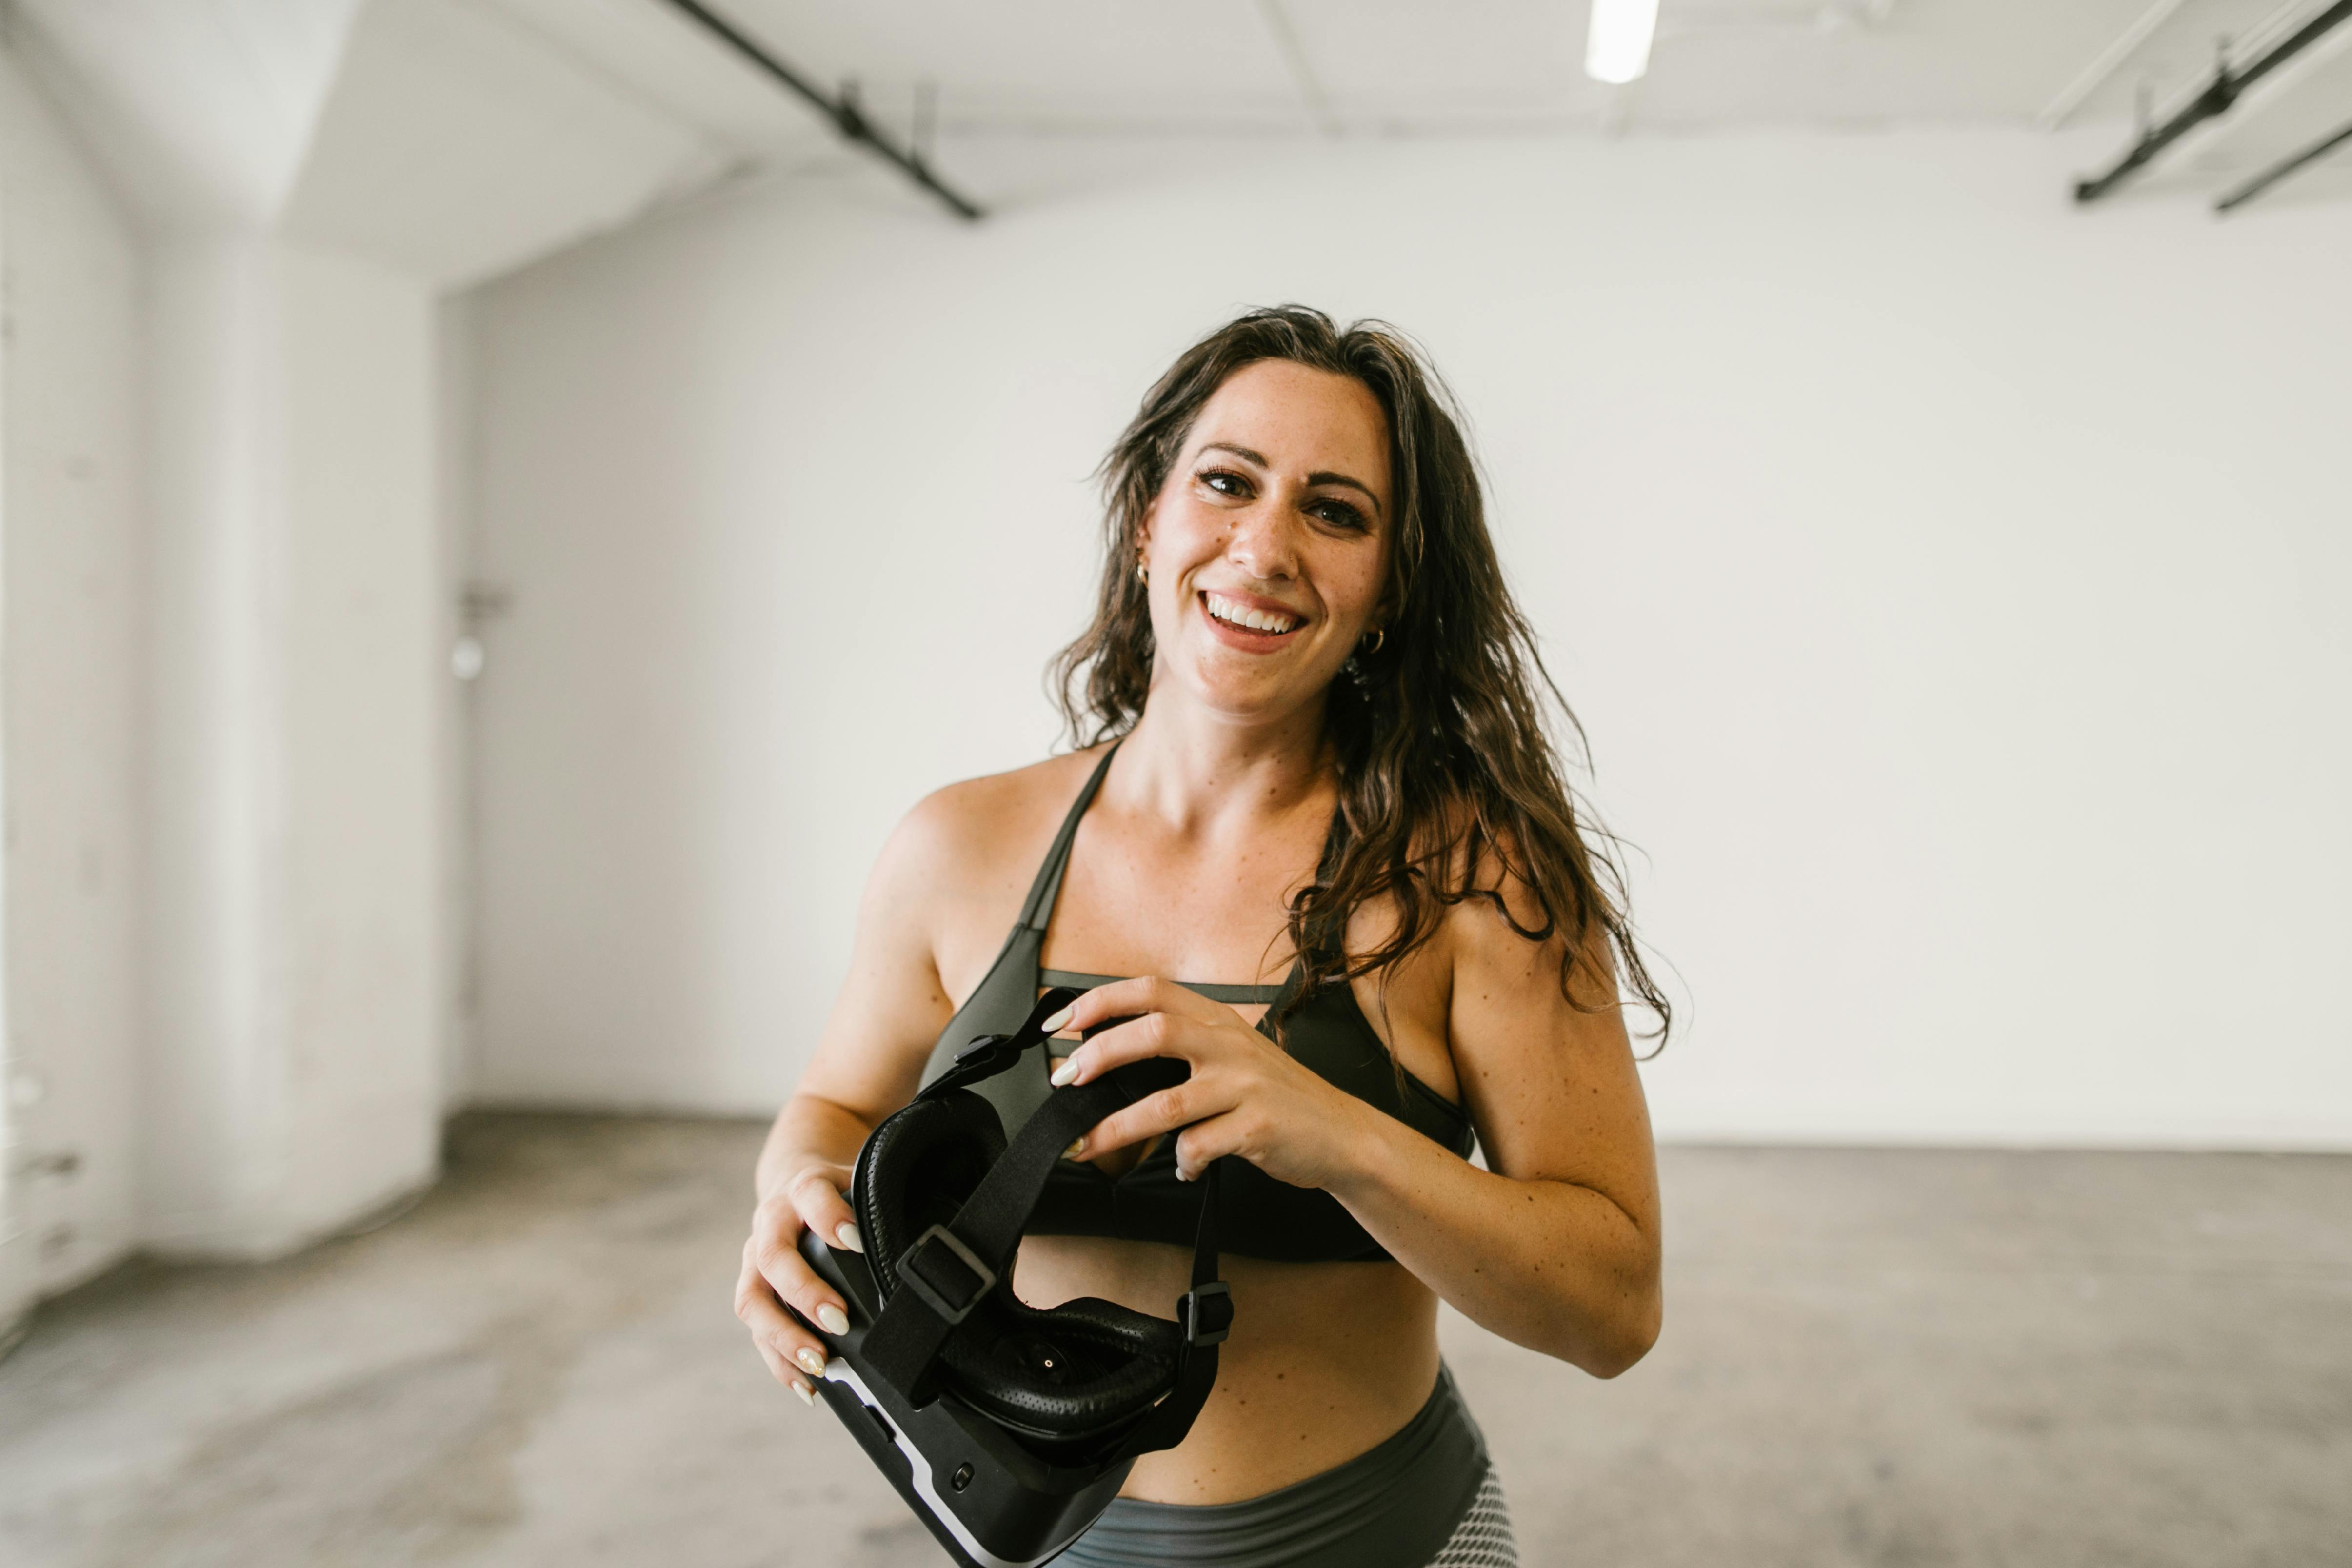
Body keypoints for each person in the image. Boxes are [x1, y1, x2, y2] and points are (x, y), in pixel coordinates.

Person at [735, 305, 1666, 1567]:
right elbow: (836, 1109)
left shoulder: (1474, 881)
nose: (1266, 545)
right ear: (1148, 523)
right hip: (1027, 1542)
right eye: (1227, 483)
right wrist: (794, 1196)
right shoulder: (956, 849)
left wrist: (1342, 1136)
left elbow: (1612, 1310)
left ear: (1388, 588)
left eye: (1336, 512)